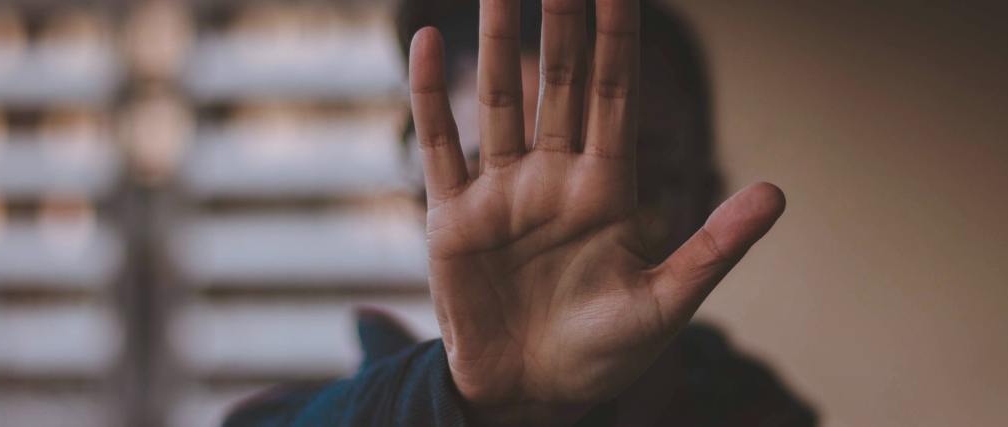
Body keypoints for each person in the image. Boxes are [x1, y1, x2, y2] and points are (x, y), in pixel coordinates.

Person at [223, 1, 816, 425]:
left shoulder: (757, 412)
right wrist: (478, 407)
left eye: (638, 181)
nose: (561, 225)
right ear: (420, 206)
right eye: (493, 176)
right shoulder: (343, 410)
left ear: (707, 203)